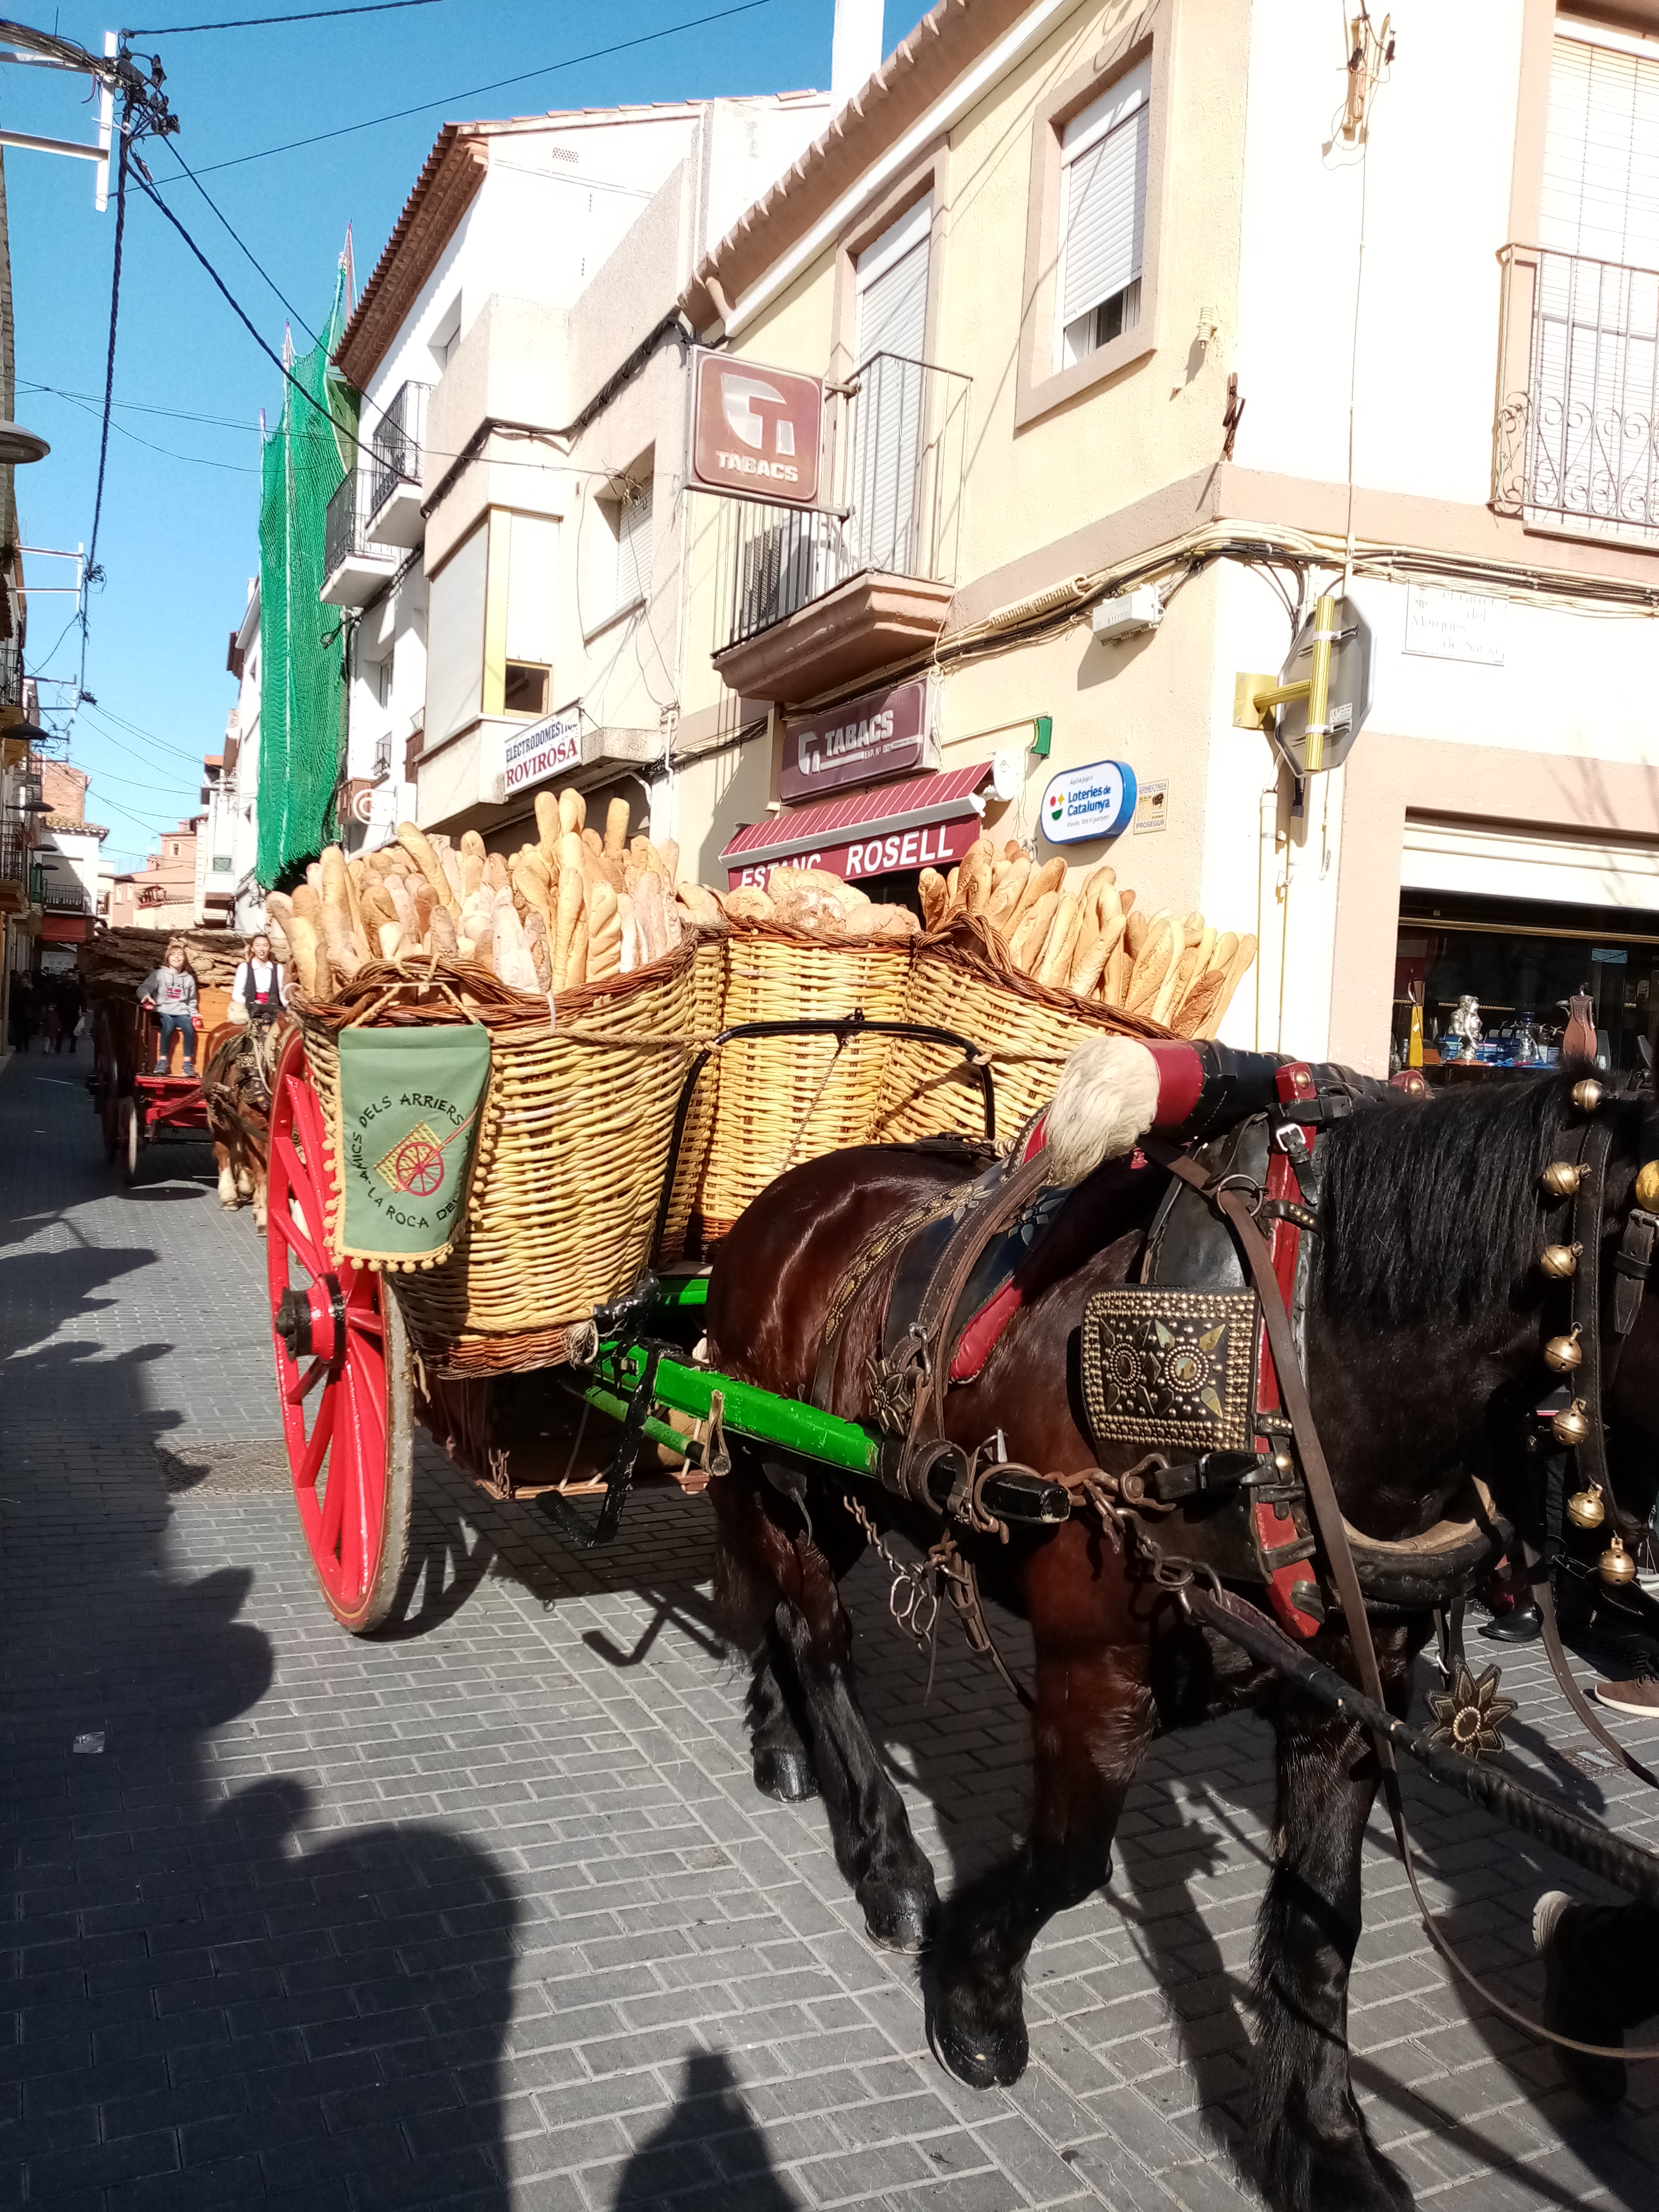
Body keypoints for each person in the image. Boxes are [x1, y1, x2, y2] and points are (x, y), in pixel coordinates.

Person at [137, 940, 200, 1076]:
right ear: (168, 958)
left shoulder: (188, 979)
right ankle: (162, 1061)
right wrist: (146, 996)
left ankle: (188, 1064)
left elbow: (192, 1000)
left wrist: (194, 1014)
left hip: (181, 1012)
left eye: (180, 955)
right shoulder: (159, 974)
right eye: (173, 954)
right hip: (163, 1011)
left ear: (185, 959)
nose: (177, 957)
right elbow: (144, 988)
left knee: (189, 1028)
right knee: (168, 1027)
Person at [229, 932, 287, 1027]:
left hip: (272, 1007)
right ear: (252, 948)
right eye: (258, 945)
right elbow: (236, 995)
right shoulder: (244, 967)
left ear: (270, 948)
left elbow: (280, 993)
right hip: (249, 1007)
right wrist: (254, 1003)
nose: (262, 949)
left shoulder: (278, 969)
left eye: (265, 945)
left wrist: (289, 1005)